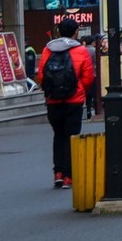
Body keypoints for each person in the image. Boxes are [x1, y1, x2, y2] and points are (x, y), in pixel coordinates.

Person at [36, 18, 95, 189]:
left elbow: (41, 75)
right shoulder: (81, 50)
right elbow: (88, 77)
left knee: (58, 135)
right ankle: (69, 176)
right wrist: (79, 89)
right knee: (72, 137)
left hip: (53, 100)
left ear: (59, 31)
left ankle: (58, 173)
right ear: (76, 32)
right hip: (74, 101)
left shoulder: (48, 49)